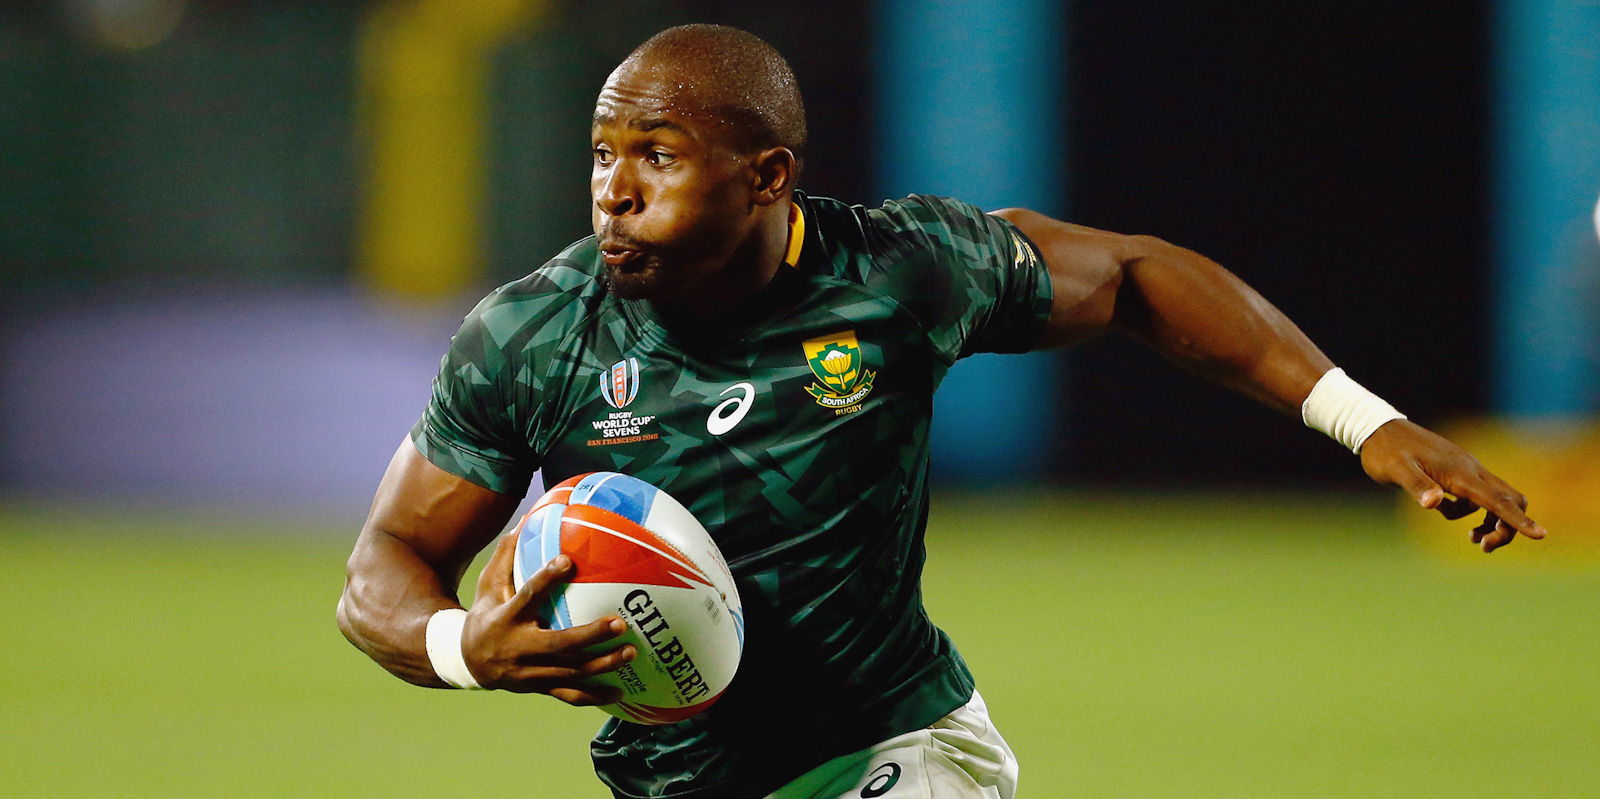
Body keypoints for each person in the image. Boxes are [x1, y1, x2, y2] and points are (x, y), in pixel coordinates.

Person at [337, 23, 1545, 799]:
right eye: (603, 152)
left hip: (894, 751)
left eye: (656, 154)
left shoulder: (897, 273)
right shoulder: (533, 336)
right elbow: (384, 565)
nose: (614, 188)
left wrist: (1364, 420)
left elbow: (1133, 274)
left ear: (767, 177)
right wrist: (458, 648)